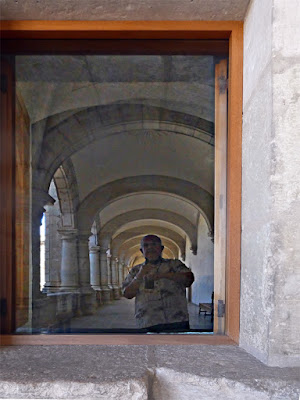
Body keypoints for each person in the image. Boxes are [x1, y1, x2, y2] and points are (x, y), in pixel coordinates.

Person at [122, 234, 194, 332]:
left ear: (161, 248)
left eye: (154, 244)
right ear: (141, 250)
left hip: (176, 320)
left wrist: (164, 275)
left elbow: (189, 280)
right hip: (148, 321)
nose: (150, 248)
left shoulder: (174, 264)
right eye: (146, 245)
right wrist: (140, 275)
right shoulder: (136, 270)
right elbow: (127, 294)